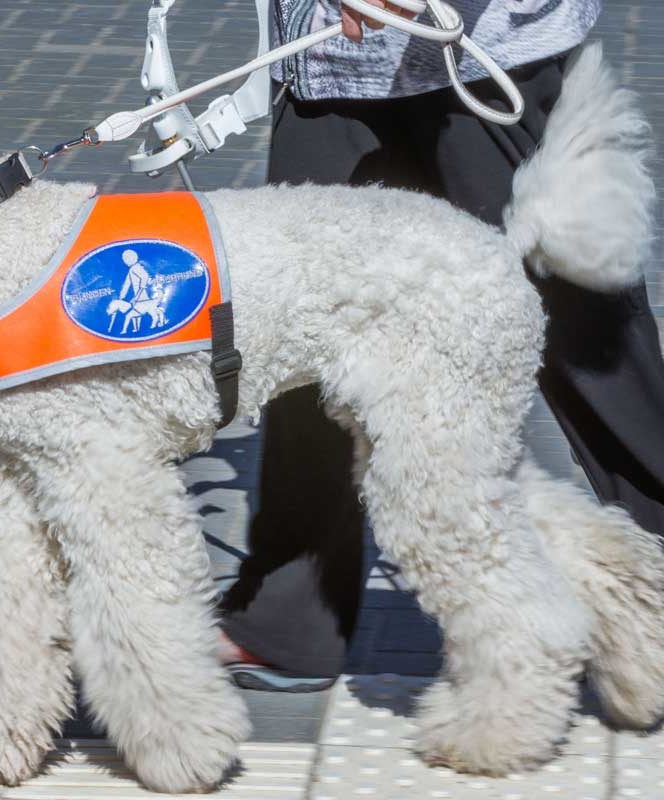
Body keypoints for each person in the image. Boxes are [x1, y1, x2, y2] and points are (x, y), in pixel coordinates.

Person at [218, 0, 664, 692]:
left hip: (483, 52)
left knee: (582, 329)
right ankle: (291, 616)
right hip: (328, 61)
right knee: (305, 340)